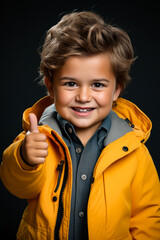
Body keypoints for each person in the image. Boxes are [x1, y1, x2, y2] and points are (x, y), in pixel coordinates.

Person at [0, 10, 160, 240]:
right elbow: (18, 186)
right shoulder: (36, 139)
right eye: (71, 83)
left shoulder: (135, 151)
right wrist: (24, 158)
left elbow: (148, 216)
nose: (84, 97)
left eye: (97, 84)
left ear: (116, 90)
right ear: (50, 86)